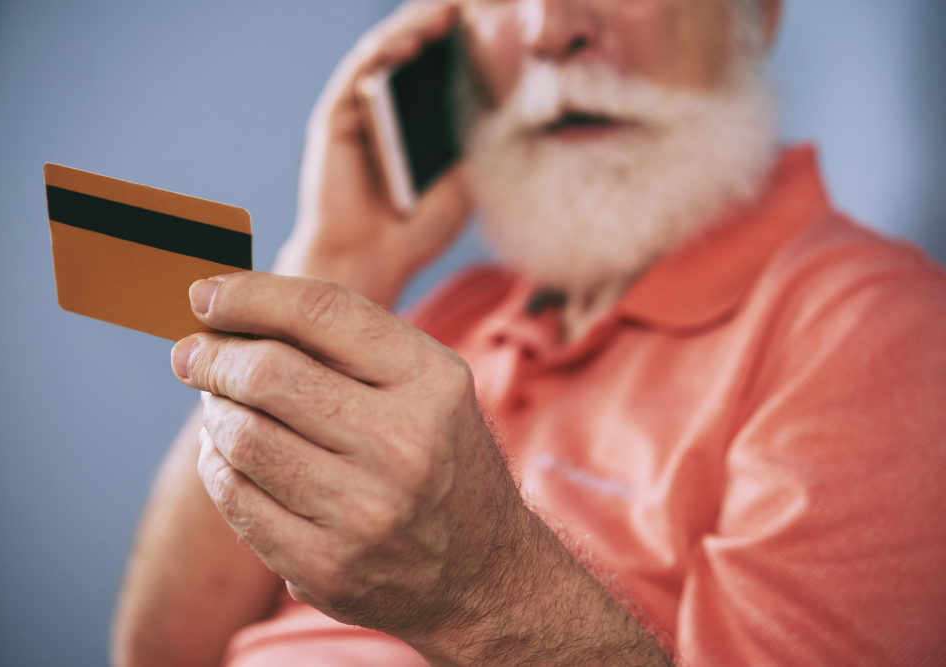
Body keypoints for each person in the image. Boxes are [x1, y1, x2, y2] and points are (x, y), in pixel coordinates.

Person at [111, 0, 946, 665]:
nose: (552, 27)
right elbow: (155, 653)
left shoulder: (877, 333)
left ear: (754, 15)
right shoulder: (455, 312)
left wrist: (481, 589)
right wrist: (337, 257)